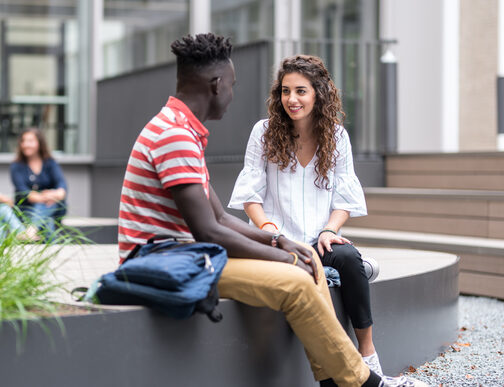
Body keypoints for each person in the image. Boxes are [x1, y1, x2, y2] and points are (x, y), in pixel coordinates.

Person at [117, 33, 425, 387]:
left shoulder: (182, 130)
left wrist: (285, 245)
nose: (233, 95)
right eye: (232, 85)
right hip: (161, 261)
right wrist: (281, 249)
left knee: (306, 265)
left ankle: (336, 382)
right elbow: (209, 231)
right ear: (216, 85)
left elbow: (217, 217)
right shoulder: (174, 135)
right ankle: (367, 384)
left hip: (183, 254)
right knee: (297, 279)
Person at [228, 54, 383, 375]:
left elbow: (345, 195)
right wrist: (270, 231)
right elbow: (249, 194)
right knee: (307, 272)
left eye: (301, 91)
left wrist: (330, 229)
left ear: (318, 93)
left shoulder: (336, 136)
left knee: (349, 260)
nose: (292, 99)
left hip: (317, 238)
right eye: (285, 91)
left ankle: (367, 355)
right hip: (276, 240)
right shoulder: (264, 132)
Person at [10, 128, 67, 235]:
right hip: (27, 210)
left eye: (30, 141)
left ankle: (32, 229)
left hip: (53, 208)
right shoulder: (16, 166)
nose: (26, 144)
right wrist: (49, 196)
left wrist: (55, 194)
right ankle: (36, 232)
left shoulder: (50, 163)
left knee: (50, 204)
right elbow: (25, 193)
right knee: (48, 224)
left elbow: (62, 186)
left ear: (39, 143)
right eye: (23, 141)